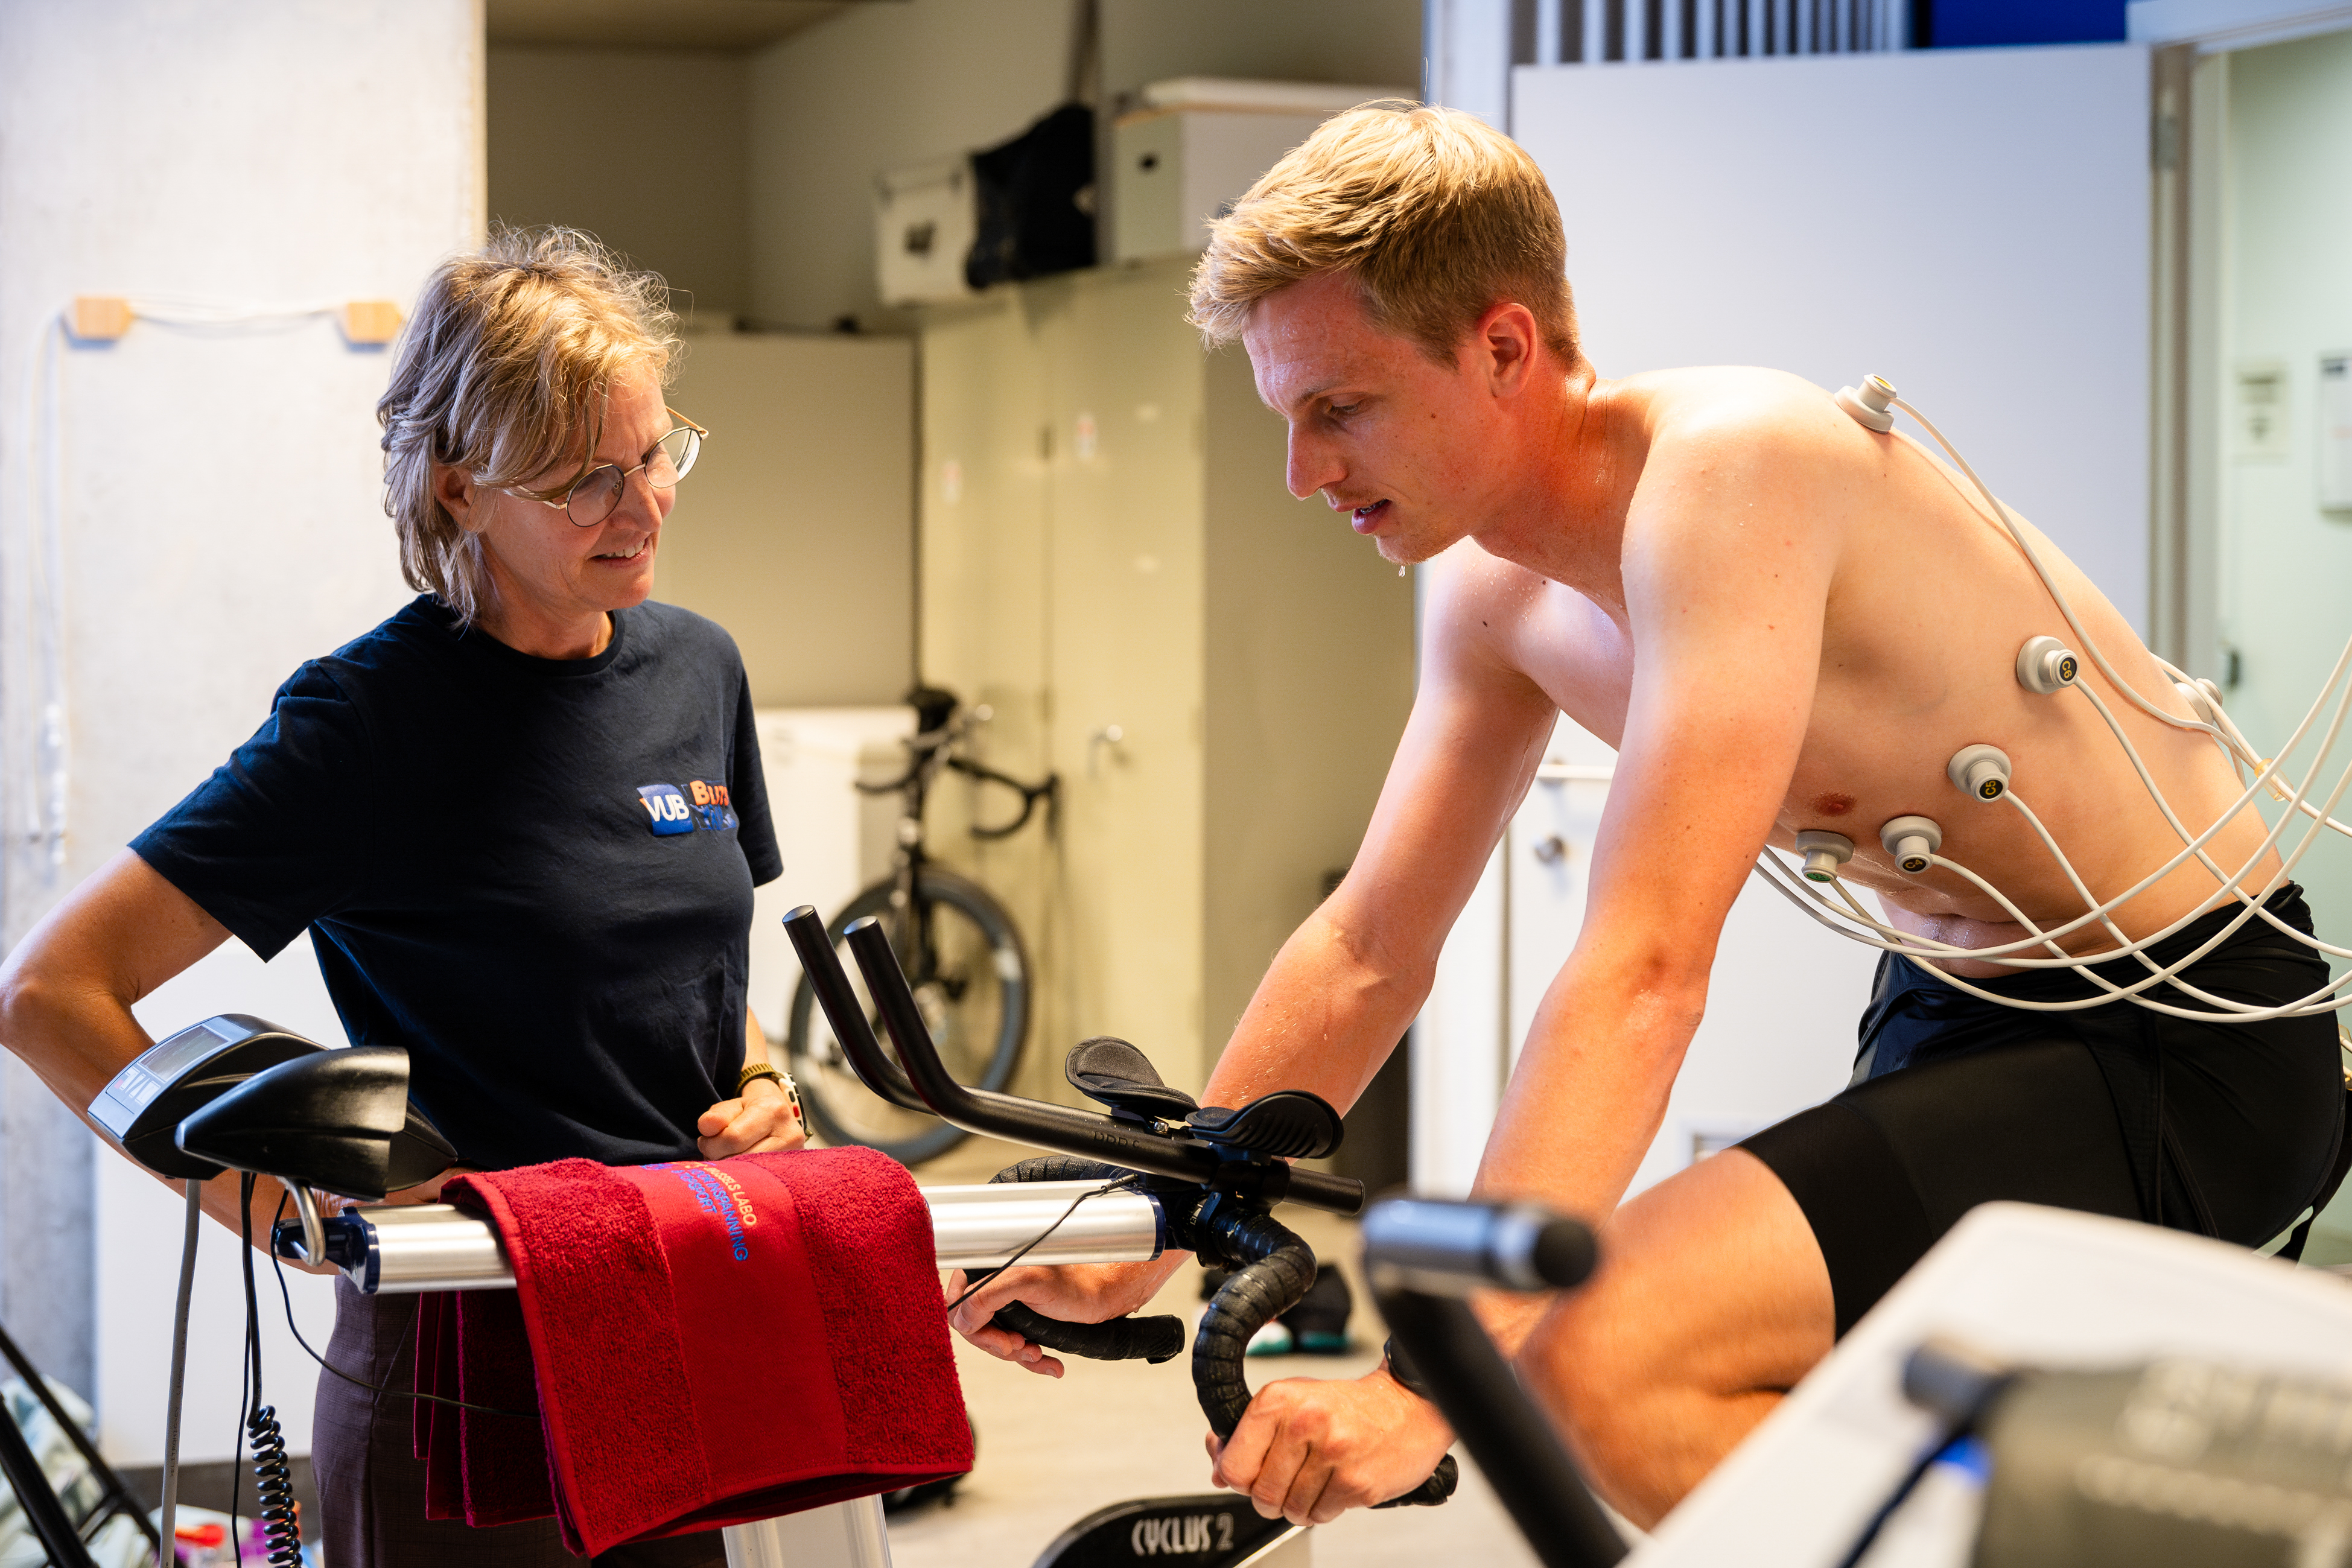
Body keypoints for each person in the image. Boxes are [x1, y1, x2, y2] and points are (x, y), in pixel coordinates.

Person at [946, 106, 2344, 1530]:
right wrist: (1157, 1223)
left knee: (1601, 1357)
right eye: (1286, 416)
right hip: (1954, 1015)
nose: (1303, 472)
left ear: (1500, 347)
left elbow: (1643, 969)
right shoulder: (1494, 599)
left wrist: (1426, 1375)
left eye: (1338, 408)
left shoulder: (1733, 469)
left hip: (2178, 1037)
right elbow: (1370, 943)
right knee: (1819, 1416)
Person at [0, 228, 799, 1567]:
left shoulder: (697, 672)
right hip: (457, 1353)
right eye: (584, 478)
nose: (644, 502)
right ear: (458, 486)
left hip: (665, 1324)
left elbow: (706, 982)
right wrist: (267, 1207)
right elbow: (48, 994)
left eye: (656, 452)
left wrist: (762, 1087)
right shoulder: (366, 722)